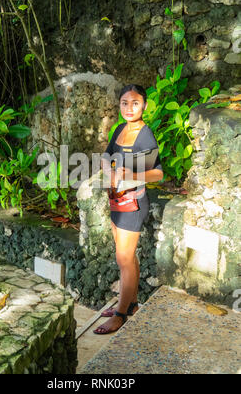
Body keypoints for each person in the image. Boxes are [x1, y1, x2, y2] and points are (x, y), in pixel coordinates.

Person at [93, 84, 164, 334]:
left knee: (123, 258)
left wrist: (133, 172)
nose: (129, 108)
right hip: (116, 201)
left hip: (133, 204)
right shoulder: (119, 129)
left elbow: (158, 173)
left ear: (144, 105)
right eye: (125, 102)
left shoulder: (145, 134)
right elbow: (105, 156)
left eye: (135, 103)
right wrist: (109, 169)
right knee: (127, 257)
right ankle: (131, 304)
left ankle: (120, 315)